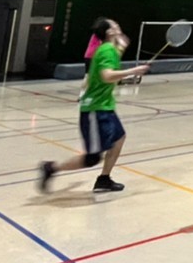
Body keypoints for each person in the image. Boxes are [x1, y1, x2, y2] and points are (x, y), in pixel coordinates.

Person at [39, 18, 150, 194]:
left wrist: (122, 47)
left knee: (119, 138)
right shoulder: (106, 50)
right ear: (109, 32)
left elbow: (108, 64)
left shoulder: (109, 49)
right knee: (92, 158)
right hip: (95, 110)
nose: (118, 25)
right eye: (114, 25)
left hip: (106, 106)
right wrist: (134, 71)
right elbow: (107, 75)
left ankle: (104, 179)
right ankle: (51, 168)